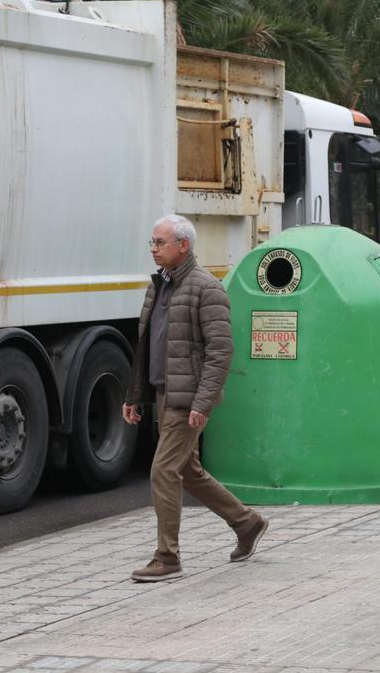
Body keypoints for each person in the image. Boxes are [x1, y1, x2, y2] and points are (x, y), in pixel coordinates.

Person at [123, 214, 269, 582]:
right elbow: (147, 345)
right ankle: (247, 523)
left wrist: (202, 404)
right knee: (189, 471)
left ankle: (167, 557)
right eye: (152, 243)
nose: (154, 249)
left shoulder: (207, 288)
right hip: (162, 392)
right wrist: (135, 395)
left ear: (183, 245)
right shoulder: (159, 286)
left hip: (186, 398)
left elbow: (220, 352)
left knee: (163, 470)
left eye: (161, 243)